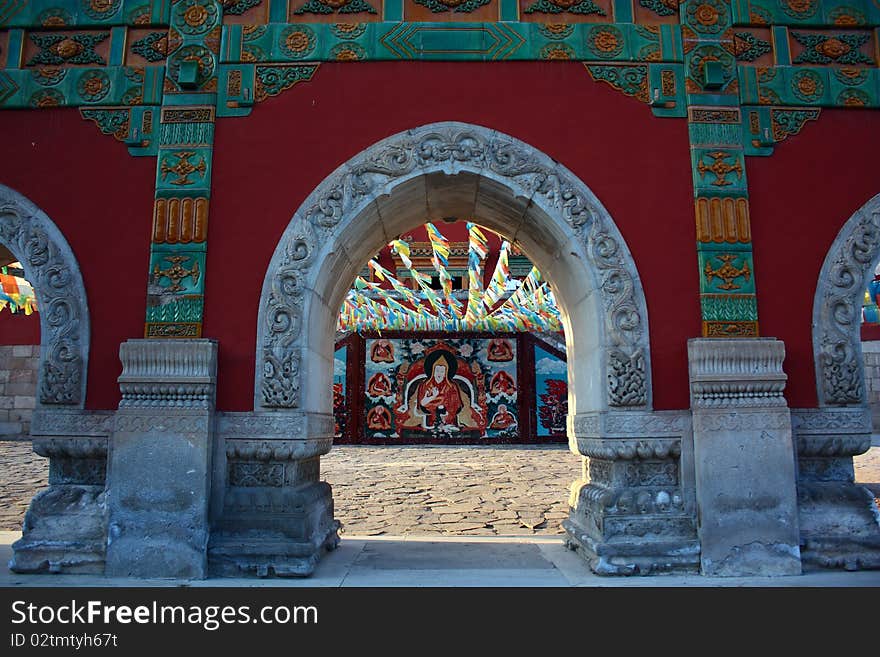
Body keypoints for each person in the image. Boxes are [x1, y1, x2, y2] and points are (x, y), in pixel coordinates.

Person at [416, 352, 463, 428]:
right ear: (433, 372)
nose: (439, 373)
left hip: (448, 417)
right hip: (430, 418)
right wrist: (432, 398)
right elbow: (422, 404)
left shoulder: (451, 387)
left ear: (445, 374)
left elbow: (456, 404)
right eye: (437, 371)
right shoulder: (425, 385)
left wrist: (445, 408)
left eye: (442, 371)